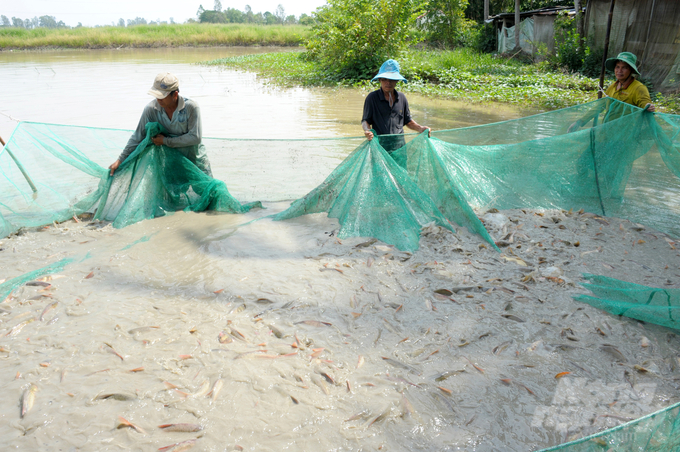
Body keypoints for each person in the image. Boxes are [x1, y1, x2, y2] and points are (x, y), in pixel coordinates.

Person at [108, 72, 213, 177]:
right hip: (171, 161)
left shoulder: (191, 106)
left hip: (196, 159)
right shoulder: (151, 109)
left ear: (175, 94)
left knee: (205, 190)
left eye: (162, 96)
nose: (158, 100)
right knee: (173, 191)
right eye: (156, 95)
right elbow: (138, 137)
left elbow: (195, 137)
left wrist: (165, 141)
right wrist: (120, 160)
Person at [568, 52, 654, 132]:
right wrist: (580, 122)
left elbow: (645, 103)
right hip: (606, 131)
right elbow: (600, 106)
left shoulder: (638, 88)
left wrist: (648, 106)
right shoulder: (613, 87)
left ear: (631, 70)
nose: (619, 71)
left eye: (624, 67)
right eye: (617, 67)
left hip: (625, 134)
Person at [361, 59, 430, 153]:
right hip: (380, 147)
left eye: (391, 80)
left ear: (397, 80)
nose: (388, 83)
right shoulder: (372, 98)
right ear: (380, 80)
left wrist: (420, 128)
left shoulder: (401, 98)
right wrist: (367, 131)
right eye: (384, 79)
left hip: (399, 147)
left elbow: (408, 121)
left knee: (401, 167)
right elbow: (365, 120)